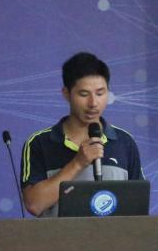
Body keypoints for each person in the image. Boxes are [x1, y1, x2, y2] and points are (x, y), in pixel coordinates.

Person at [21, 52, 143, 216]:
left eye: (100, 93)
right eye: (84, 94)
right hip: (60, 234)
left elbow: (139, 206)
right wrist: (78, 163)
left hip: (113, 234)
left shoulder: (124, 142)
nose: (93, 103)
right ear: (66, 94)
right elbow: (34, 204)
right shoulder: (40, 143)